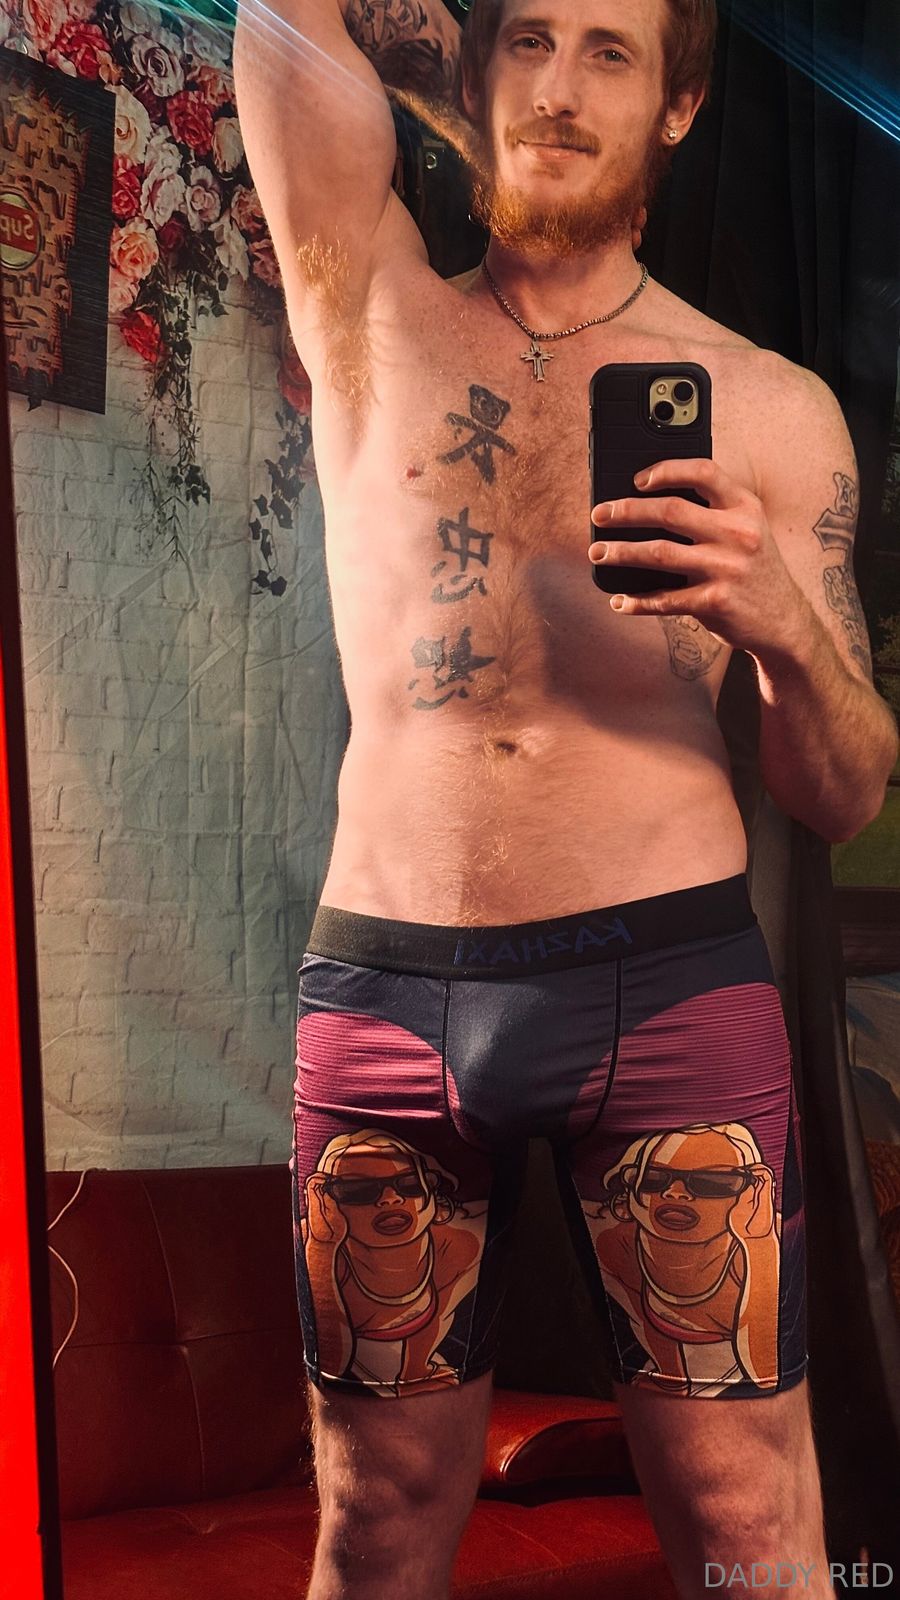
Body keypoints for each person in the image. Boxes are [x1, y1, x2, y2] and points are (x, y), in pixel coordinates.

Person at [233, 2, 899, 1595]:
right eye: (528, 39)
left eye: (612, 52)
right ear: (478, 72)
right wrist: (419, 39)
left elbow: (845, 791)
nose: (559, 85)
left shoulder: (773, 407)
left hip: (664, 991)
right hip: (388, 992)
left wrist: (781, 629)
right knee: (374, 1516)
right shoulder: (368, 300)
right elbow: (286, 33)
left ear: (678, 106)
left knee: (748, 1526)